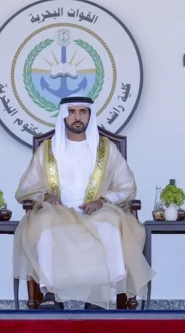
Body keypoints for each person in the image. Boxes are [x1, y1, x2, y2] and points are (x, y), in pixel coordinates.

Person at [13, 96, 153, 309]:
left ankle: (100, 293)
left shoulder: (106, 149)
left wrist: (103, 200)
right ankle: (50, 293)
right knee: (44, 221)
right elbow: (26, 188)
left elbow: (127, 185)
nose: (77, 117)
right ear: (63, 116)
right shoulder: (48, 149)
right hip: (58, 211)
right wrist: (45, 196)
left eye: (82, 112)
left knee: (111, 221)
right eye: (72, 112)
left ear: (90, 115)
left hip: (95, 211)